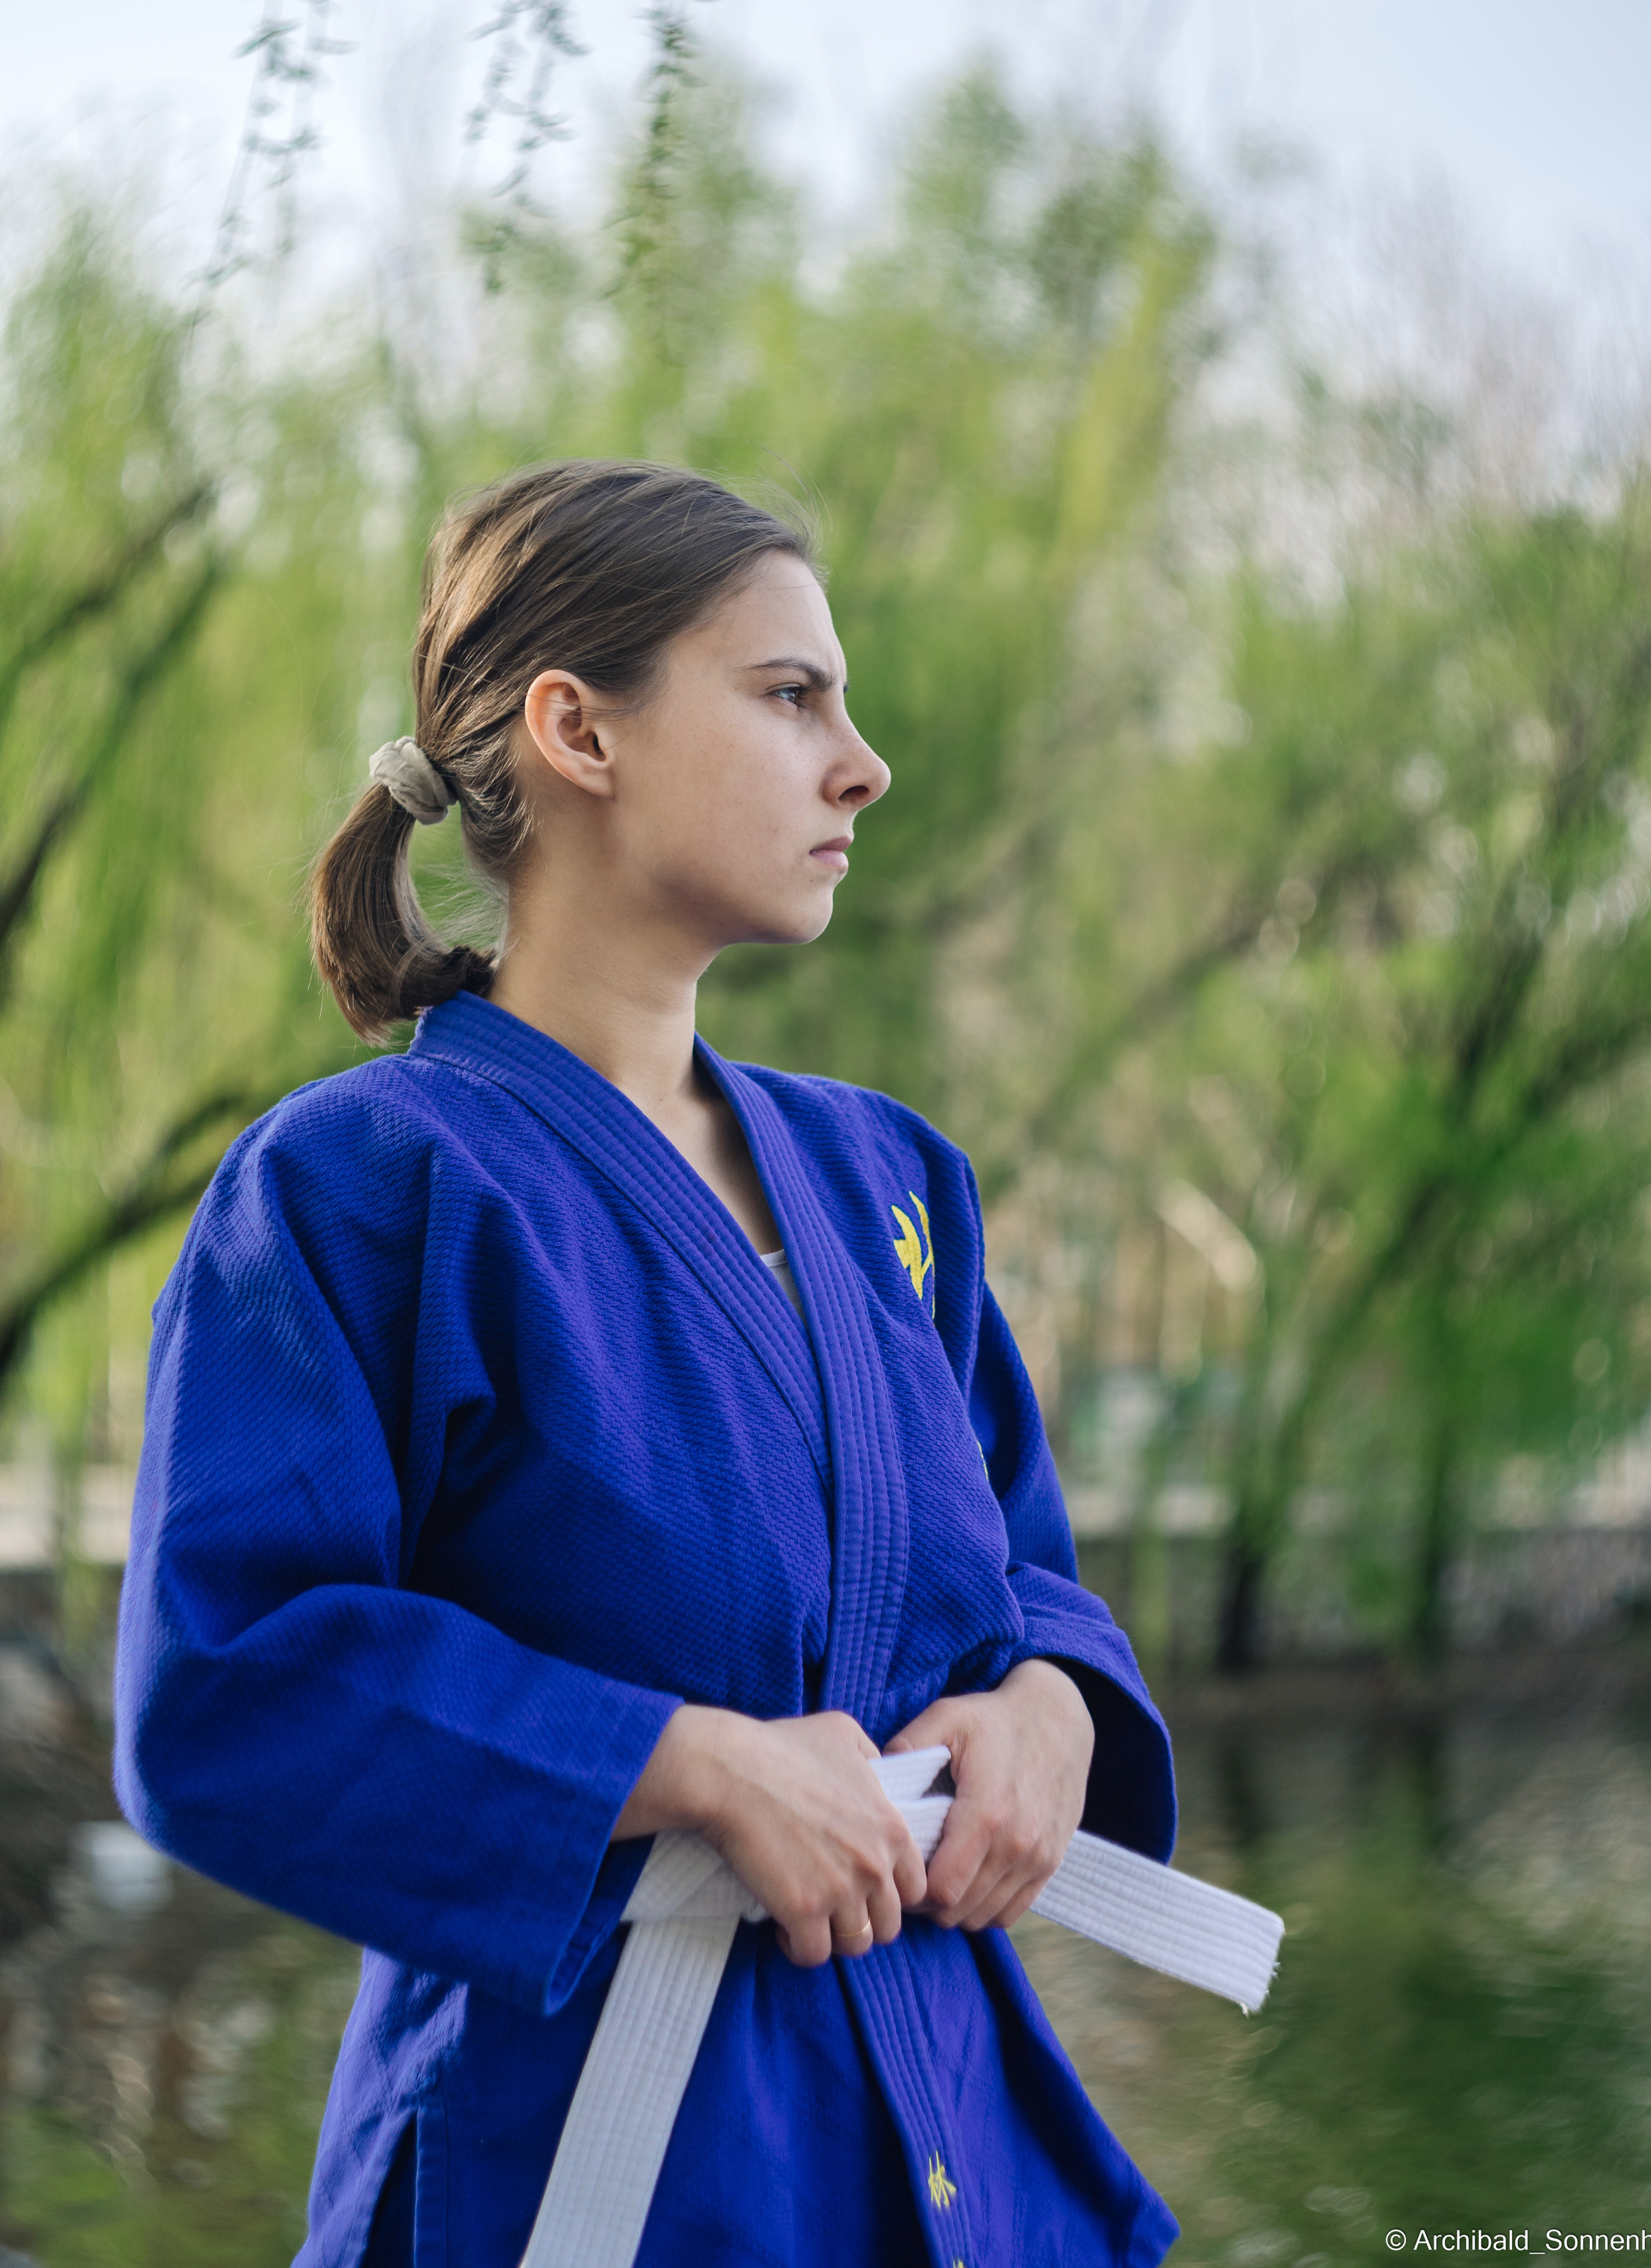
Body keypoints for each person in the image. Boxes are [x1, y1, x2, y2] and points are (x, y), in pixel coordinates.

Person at [114, 459, 1180, 2268]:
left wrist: (1049, 1712)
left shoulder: (892, 1181)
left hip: (947, 2150)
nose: (866, 762)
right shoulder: (364, 1186)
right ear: (574, 730)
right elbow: (222, 1678)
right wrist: (674, 1764)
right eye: (792, 695)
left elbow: (1025, 1582)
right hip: (592, 2174)